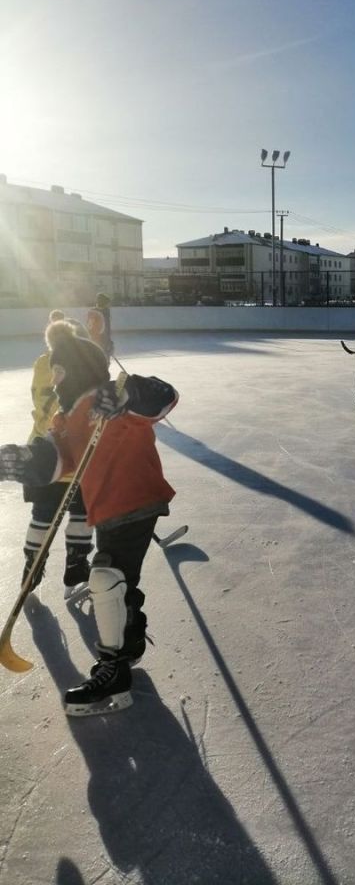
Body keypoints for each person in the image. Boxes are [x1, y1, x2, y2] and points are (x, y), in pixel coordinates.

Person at [0, 320, 178, 715]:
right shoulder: (67, 417)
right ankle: (129, 640)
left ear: (77, 369)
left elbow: (164, 398)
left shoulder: (114, 399)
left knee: (106, 577)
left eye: (60, 372)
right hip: (108, 509)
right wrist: (19, 462)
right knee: (117, 578)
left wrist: (131, 393)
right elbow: (56, 461)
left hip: (137, 501)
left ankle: (114, 669)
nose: (55, 380)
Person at [22, 311, 94, 598]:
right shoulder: (80, 368)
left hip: (39, 451)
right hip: (71, 455)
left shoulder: (42, 362)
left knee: (42, 514)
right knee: (81, 511)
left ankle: (31, 568)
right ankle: (76, 568)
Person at [87, 292, 114, 360]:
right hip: (101, 341)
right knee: (103, 361)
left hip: (93, 340)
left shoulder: (92, 312)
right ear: (104, 303)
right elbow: (105, 329)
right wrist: (108, 342)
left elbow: (89, 327)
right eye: (107, 303)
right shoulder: (103, 313)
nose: (109, 305)